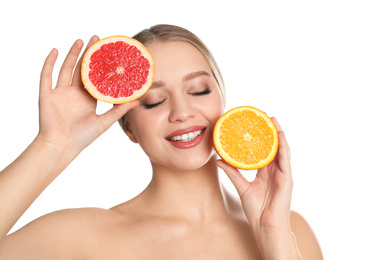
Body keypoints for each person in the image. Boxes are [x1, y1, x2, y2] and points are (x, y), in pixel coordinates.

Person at [0, 24, 323, 259]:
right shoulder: (82, 237)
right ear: (128, 128)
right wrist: (53, 146)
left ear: (222, 101)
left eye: (199, 90)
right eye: (154, 101)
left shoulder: (290, 230)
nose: (182, 112)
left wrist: (274, 237)